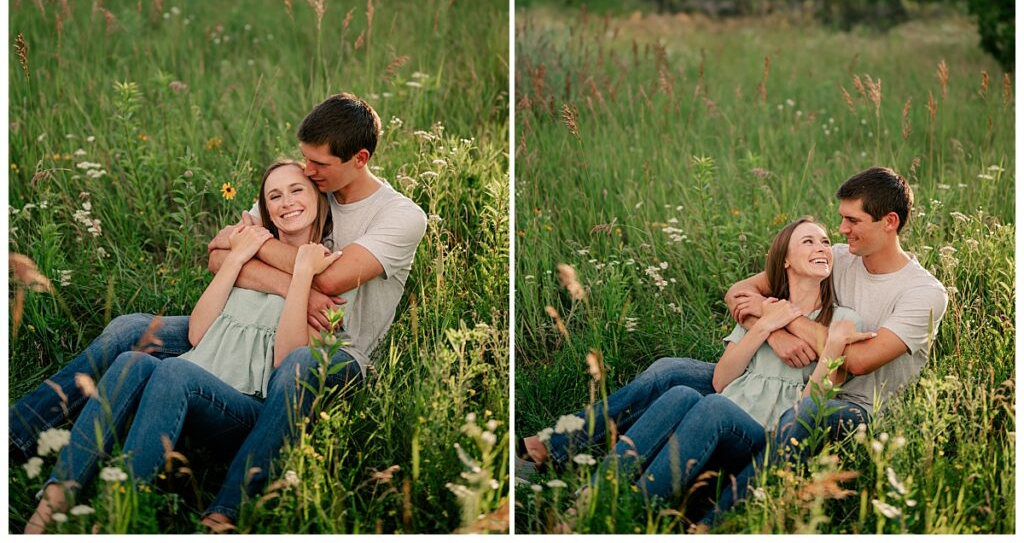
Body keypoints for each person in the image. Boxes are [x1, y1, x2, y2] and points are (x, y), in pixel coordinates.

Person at [11, 93, 428, 531]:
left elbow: (328, 280)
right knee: (129, 330)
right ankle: (21, 433)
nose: (307, 171)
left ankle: (227, 507)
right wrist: (280, 270)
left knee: (297, 363)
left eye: (318, 165)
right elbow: (218, 256)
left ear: (359, 158)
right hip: (246, 326)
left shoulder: (398, 216)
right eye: (304, 160)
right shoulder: (296, 190)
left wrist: (259, 251)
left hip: (336, 350)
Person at [518, 167, 946, 525]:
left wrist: (787, 318)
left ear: (888, 222)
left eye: (852, 221)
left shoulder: (921, 292)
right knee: (672, 373)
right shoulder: (835, 253)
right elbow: (741, 292)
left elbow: (855, 360)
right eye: (840, 221)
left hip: (848, 404)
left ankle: (716, 522)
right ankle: (554, 451)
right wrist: (772, 329)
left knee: (777, 410)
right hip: (776, 373)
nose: (840, 231)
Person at [26, 160, 341, 532]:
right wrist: (238, 255)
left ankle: (118, 513)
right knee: (132, 361)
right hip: (191, 384)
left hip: (244, 409)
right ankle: (54, 500)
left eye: (296, 190)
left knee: (176, 368)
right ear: (266, 208)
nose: (286, 201)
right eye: (275, 195)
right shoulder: (250, 255)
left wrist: (304, 272)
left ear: (319, 197)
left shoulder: (328, 270)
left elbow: (290, 361)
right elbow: (198, 333)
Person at [539, 219, 872, 511]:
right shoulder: (763, 309)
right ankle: (595, 494)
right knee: (682, 394)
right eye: (809, 241)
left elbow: (814, 403)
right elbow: (722, 379)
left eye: (826, 241)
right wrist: (765, 327)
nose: (822, 248)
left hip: (763, 437)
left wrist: (830, 344)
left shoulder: (843, 321)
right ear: (785, 259)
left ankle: (628, 507)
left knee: (713, 406)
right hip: (719, 417)